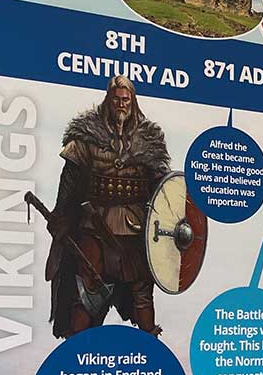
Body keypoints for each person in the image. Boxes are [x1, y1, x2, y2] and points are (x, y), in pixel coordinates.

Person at [44, 75, 171, 337]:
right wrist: (61, 213)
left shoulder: (149, 138)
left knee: (142, 288)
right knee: (87, 285)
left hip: (136, 226)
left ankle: (148, 337)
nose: (121, 104)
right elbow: (70, 178)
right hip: (94, 221)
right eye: (116, 99)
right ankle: (77, 342)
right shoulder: (87, 134)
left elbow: (162, 186)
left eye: (126, 100)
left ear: (132, 102)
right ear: (108, 100)